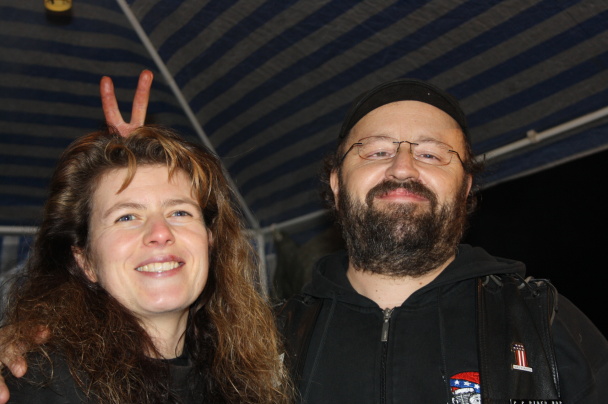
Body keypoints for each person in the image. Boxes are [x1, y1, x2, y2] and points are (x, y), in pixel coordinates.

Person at [2, 73, 608, 403]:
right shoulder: (261, 346)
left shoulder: (546, 323)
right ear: (336, 183)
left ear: (467, 184)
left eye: (431, 153)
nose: (402, 166)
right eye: (375, 151)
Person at [0, 125, 292, 403]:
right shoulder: (42, 381)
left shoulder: (249, 375)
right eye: (126, 217)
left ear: (209, 241)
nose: (160, 233)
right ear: (86, 261)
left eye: (180, 212)